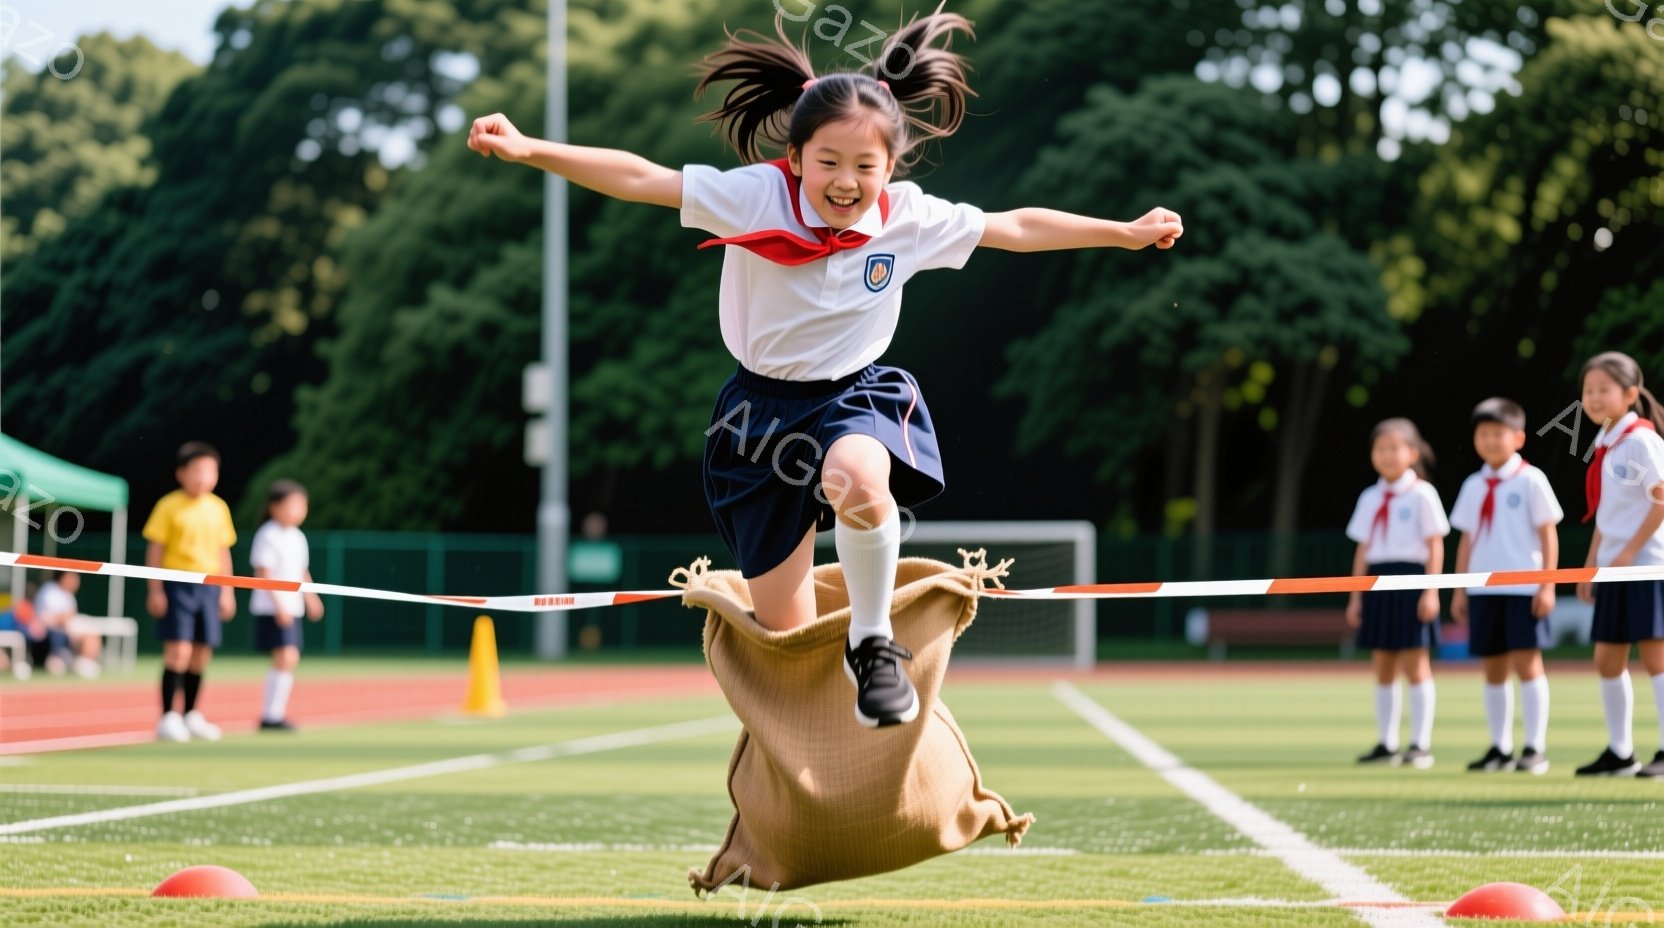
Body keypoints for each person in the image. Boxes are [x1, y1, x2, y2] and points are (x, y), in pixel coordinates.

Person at [467, 10, 1182, 727]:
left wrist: (1120, 233)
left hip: (855, 396)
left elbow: (1014, 227)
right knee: (793, 649)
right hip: (756, 420)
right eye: (829, 163)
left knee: (862, 485)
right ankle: (811, 786)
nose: (846, 182)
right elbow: (639, 177)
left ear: (890, 168)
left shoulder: (909, 217)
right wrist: (530, 149)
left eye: (865, 167)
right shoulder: (751, 197)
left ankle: (873, 643)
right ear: (798, 156)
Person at [1448, 398, 1561, 775]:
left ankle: (1535, 748)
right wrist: (1460, 587)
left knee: (1528, 664)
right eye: (1483, 434)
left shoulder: (1531, 479)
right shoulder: (1473, 483)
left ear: (1519, 437)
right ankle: (1499, 747)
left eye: (1498, 434)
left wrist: (1546, 586)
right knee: (1492, 668)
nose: (1490, 441)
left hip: (1524, 587)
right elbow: (1467, 538)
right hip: (1482, 588)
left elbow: (1548, 534)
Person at [1570, 351, 1664, 778]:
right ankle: (1621, 753)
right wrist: (1593, 563)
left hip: (1645, 566)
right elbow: (1607, 514)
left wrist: (1630, 551)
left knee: (1655, 658)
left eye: (1602, 390)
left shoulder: (1642, 440)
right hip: (1612, 567)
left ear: (1629, 394)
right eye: (1587, 391)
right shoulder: (1606, 444)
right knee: (1607, 660)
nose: (1593, 398)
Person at [1345, 418, 1450, 768]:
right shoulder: (1370, 496)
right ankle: (1386, 743)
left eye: (1395, 448)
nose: (1388, 456)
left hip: (1412, 581)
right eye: (1381, 449)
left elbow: (1435, 545)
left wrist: (1430, 591)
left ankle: (1420, 744)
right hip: (1376, 582)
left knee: (1416, 664)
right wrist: (1356, 596)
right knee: (1383, 665)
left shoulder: (1422, 493)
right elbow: (1362, 548)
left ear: (1412, 453)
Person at [142, 441, 237, 742]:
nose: (203, 477)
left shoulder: (219, 507)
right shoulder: (168, 505)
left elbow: (224, 553)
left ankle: (191, 714)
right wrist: (155, 589)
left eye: (210, 471)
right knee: (178, 651)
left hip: (209, 587)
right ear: (181, 473)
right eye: (196, 470)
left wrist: (227, 591)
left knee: (201, 652)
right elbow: (155, 550)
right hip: (177, 584)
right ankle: (169, 717)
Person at [249, 479, 324, 731]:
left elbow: (302, 571)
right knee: (287, 656)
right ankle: (271, 715)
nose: (298, 510)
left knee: (289, 659)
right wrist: (279, 604)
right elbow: (263, 571)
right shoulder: (268, 533)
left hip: (293, 607)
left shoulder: (298, 536)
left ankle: (273, 714)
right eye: (292, 505)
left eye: (302, 505)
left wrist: (311, 597)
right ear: (275, 506)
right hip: (273, 607)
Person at [32, 569, 102, 678]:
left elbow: (70, 616)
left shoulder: (69, 596)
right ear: (63, 577)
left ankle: (85, 662)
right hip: (50, 631)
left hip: (66, 630)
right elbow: (53, 618)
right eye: (72, 578)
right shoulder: (50, 590)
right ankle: (70, 661)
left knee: (91, 633)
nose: (75, 582)